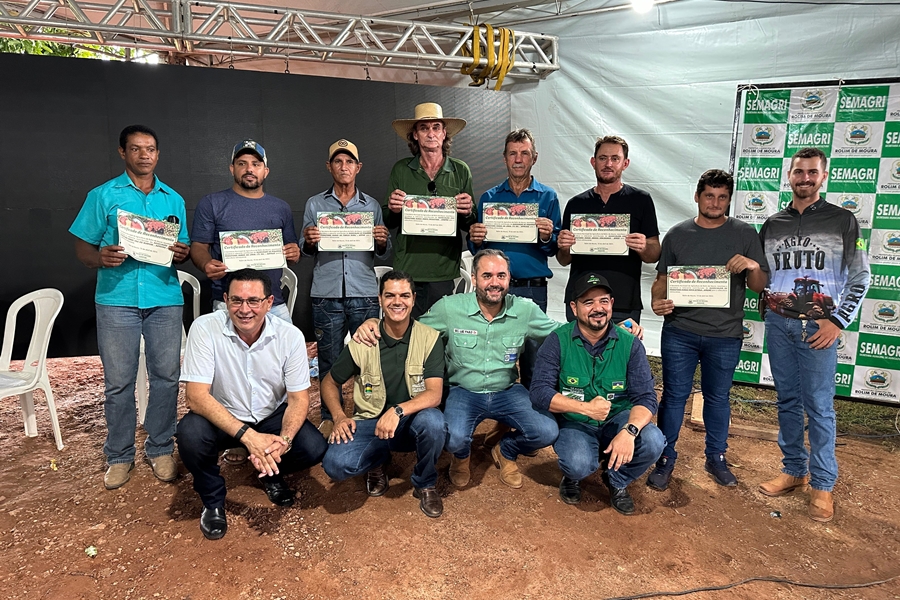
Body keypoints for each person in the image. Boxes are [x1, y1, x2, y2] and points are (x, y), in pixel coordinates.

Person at [355, 249, 560, 490]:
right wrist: (374, 322)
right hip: (463, 391)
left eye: (501, 275)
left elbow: (562, 334)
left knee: (547, 432)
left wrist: (600, 329)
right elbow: (410, 330)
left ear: (509, 278)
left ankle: (506, 449)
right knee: (452, 439)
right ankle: (461, 456)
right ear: (474, 278)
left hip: (507, 391)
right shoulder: (449, 308)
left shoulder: (525, 310)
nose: (494, 282)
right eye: (487, 275)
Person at [70, 124, 191, 490]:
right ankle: (120, 455)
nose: (144, 155)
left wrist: (181, 253)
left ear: (158, 154)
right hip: (116, 299)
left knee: (167, 377)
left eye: (150, 149)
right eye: (136, 148)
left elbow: (183, 247)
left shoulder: (173, 199)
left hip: (164, 298)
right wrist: (99, 257)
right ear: (123, 152)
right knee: (118, 382)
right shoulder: (103, 195)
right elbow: (82, 248)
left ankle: (160, 447)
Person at [757, 147, 870, 523]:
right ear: (789, 176)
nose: (804, 178)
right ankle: (794, 470)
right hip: (779, 323)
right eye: (798, 172)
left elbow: (861, 275)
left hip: (818, 327)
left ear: (823, 176)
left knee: (819, 407)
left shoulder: (843, 220)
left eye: (811, 172)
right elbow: (763, 274)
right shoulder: (773, 223)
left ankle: (822, 484)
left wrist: (838, 321)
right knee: (787, 400)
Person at [176, 269, 327, 540]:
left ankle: (270, 471)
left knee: (313, 447)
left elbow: (298, 399)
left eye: (254, 301)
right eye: (237, 300)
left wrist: (283, 442)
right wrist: (249, 438)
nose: (245, 309)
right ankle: (212, 501)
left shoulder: (290, 336)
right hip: (223, 415)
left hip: (270, 414)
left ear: (269, 303)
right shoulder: (205, 328)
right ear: (225, 300)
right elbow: (195, 397)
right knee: (190, 434)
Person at [646, 169, 769, 491]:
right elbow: (662, 280)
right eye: (709, 196)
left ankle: (716, 457)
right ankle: (665, 457)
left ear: (729, 200)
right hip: (680, 331)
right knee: (674, 397)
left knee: (717, 398)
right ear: (697, 197)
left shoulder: (745, 234)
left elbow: (759, 286)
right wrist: (657, 301)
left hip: (725, 334)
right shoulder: (677, 234)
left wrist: (753, 266)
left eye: (722, 197)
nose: (715, 202)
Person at [530, 273, 664, 514]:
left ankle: (616, 480)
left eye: (603, 301)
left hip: (619, 418)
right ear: (574, 308)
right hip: (576, 421)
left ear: (611, 304)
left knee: (653, 441)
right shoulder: (557, 341)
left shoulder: (630, 344)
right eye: (588, 302)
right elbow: (539, 392)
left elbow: (646, 397)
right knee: (578, 463)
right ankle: (573, 476)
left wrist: (630, 431)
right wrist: (586, 409)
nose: (598, 308)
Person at [320, 270, 447, 517]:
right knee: (336, 465)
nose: (397, 302)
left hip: (410, 421)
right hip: (370, 422)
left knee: (434, 423)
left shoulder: (429, 338)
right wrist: (338, 416)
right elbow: (329, 382)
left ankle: (425, 483)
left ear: (413, 299)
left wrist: (397, 411)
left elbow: (434, 395)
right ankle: (377, 461)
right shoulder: (363, 340)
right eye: (390, 295)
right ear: (379, 299)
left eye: (404, 295)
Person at [301, 140, 391, 438]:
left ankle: (369, 412)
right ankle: (331, 417)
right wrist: (309, 240)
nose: (344, 167)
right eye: (338, 161)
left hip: (363, 292)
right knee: (329, 359)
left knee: (369, 358)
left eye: (349, 161)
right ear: (329, 167)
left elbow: (383, 251)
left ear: (358, 167)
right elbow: (304, 249)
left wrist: (381, 239)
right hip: (326, 294)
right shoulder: (315, 205)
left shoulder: (371, 206)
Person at [190, 140, 300, 322]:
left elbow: (292, 254)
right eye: (242, 163)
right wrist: (206, 263)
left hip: (272, 303)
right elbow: (199, 246)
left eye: (256, 164)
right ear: (232, 168)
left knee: (287, 342)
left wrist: (294, 253)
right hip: (229, 302)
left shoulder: (281, 208)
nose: (249, 169)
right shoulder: (211, 203)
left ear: (266, 171)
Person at [384, 102, 476, 318]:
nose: (431, 133)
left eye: (436, 127)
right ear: (415, 135)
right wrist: (393, 208)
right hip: (408, 269)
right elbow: (388, 220)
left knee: (439, 333)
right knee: (406, 331)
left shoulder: (460, 170)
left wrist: (468, 211)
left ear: (444, 134)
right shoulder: (401, 169)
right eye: (424, 128)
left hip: (443, 269)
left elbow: (471, 224)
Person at [557, 135, 660, 323]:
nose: (608, 164)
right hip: (581, 300)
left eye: (615, 158)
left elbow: (654, 254)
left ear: (625, 163)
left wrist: (644, 247)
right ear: (593, 162)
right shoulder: (576, 204)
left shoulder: (641, 200)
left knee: (622, 344)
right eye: (603, 158)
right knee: (578, 344)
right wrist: (564, 247)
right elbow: (563, 260)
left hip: (623, 302)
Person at [467, 128, 561, 312]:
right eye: (512, 154)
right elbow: (478, 249)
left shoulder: (548, 197)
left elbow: (554, 249)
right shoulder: (489, 198)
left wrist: (546, 237)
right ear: (505, 158)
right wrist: (475, 240)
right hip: (494, 288)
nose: (518, 160)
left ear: (534, 158)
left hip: (533, 289)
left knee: (533, 333)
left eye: (524, 153)